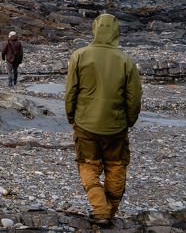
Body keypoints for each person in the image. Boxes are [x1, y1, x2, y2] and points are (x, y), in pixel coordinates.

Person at [64, 14, 142, 225]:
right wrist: (129, 120)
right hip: (116, 126)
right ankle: (110, 211)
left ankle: (101, 210)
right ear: (116, 32)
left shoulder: (80, 55)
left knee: (88, 165)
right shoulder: (126, 61)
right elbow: (134, 98)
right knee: (116, 166)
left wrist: (72, 116)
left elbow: (71, 91)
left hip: (85, 124)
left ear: (94, 29)